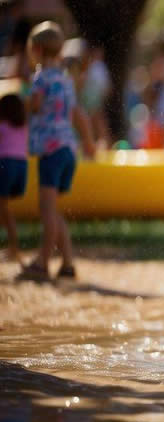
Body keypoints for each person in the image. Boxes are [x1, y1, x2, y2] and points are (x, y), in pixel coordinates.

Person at [18, 22, 96, 282]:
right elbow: (78, 114)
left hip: (50, 151)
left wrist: (25, 105)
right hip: (67, 150)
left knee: (47, 210)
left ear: (36, 50)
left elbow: (36, 105)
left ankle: (42, 262)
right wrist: (88, 142)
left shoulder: (40, 78)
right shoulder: (65, 81)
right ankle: (68, 263)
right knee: (52, 209)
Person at [0, 93, 28, 263]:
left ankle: (14, 246)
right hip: (21, 167)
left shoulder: (2, 126)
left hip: (6, 165)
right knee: (4, 208)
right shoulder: (23, 127)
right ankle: (14, 246)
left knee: (3, 208)